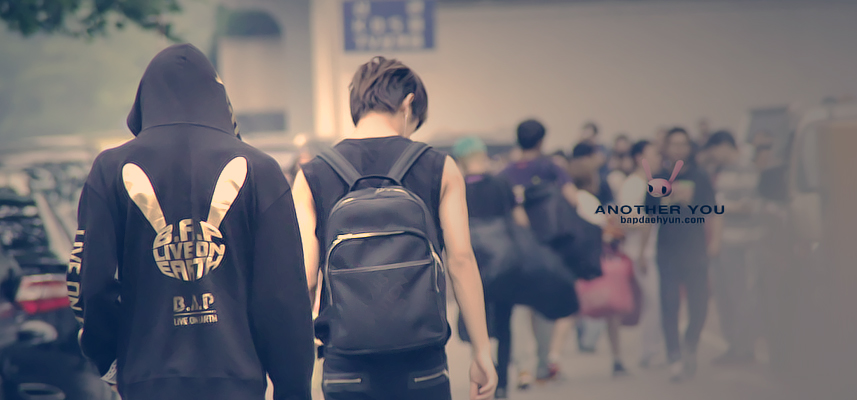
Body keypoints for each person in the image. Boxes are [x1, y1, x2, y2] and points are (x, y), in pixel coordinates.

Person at [65, 44, 315, 400]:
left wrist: (111, 359)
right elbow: (283, 296)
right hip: (237, 382)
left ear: (144, 100)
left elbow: (91, 285)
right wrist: (293, 388)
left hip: (148, 381)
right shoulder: (261, 171)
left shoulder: (109, 171)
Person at [292, 56, 497, 400]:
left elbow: (307, 278)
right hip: (422, 358)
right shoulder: (440, 166)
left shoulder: (311, 175)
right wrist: (481, 352)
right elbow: (461, 261)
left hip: (346, 361)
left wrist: (295, 367)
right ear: (408, 104)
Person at [501, 119, 578, 384]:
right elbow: (573, 199)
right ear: (541, 141)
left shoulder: (505, 173)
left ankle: (523, 368)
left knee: (519, 309)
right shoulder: (551, 168)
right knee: (544, 306)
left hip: (516, 249)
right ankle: (544, 365)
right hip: (546, 247)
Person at [643, 127, 718, 383]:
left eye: (683, 144)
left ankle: (690, 343)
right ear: (666, 148)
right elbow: (648, 218)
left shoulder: (700, 176)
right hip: (667, 251)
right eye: (673, 144)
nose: (678, 149)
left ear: (689, 147)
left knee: (700, 304)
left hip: (695, 250)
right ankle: (674, 356)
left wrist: (715, 241)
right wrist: (642, 251)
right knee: (669, 304)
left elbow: (712, 211)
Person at [452, 136, 518, 399]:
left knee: (477, 320)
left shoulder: (458, 187)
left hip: (473, 264)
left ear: (460, 160)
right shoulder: (501, 183)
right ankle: (502, 384)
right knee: (504, 323)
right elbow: (517, 219)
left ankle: (482, 370)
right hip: (504, 262)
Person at [703, 130, 763, 365]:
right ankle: (734, 346)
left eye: (714, 151)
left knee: (740, 296)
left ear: (724, 146)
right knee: (724, 297)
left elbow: (749, 206)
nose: (713, 156)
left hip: (741, 243)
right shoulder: (724, 171)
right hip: (722, 243)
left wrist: (718, 208)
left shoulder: (746, 169)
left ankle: (745, 348)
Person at [618, 140, 665, 369]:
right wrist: (646, 221)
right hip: (639, 252)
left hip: (653, 250)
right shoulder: (632, 185)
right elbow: (624, 220)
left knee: (655, 301)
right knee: (654, 301)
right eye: (654, 155)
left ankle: (653, 349)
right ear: (640, 158)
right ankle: (650, 351)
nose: (659, 159)